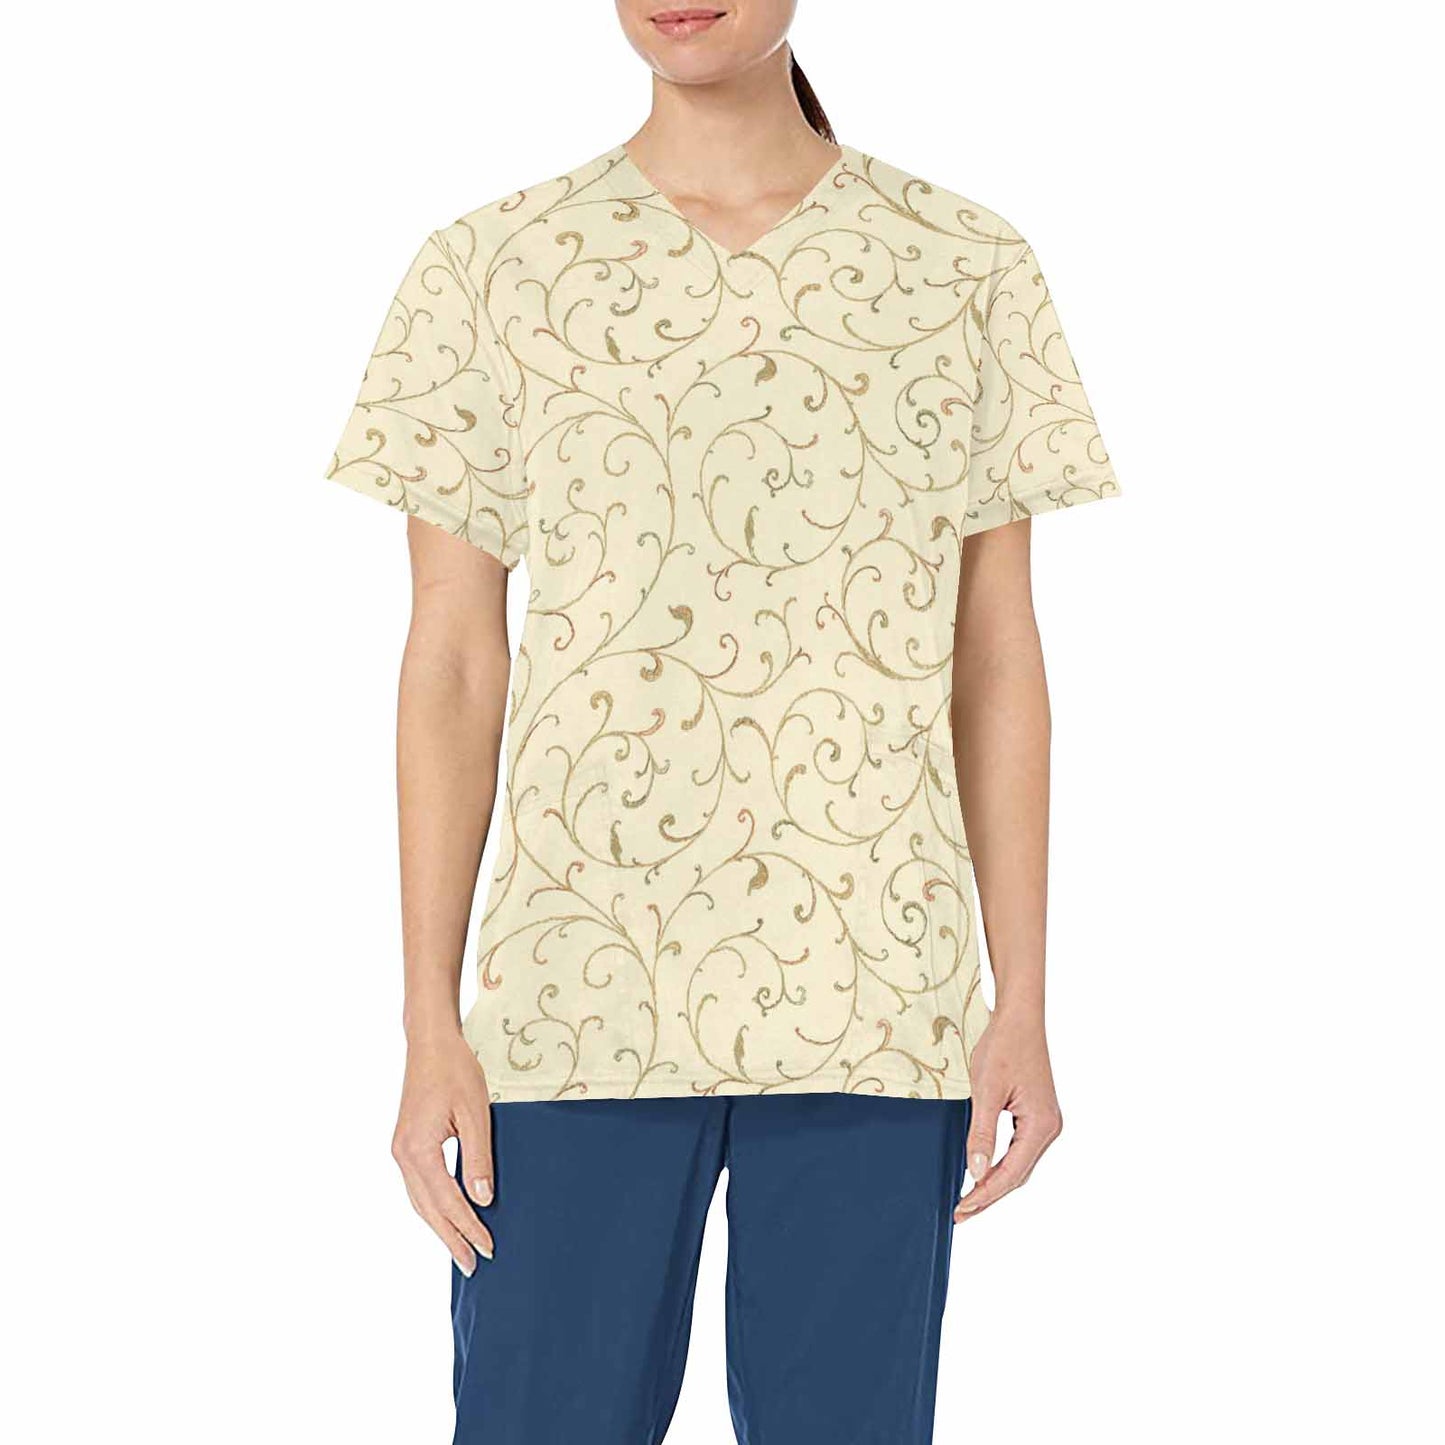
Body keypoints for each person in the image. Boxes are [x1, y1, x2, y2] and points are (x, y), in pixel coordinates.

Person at [324, 3, 1120, 1440]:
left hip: (874, 983)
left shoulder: (961, 264)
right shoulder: (494, 267)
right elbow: (450, 661)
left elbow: (995, 656)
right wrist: (428, 1018)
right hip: (574, 991)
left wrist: (1021, 998)